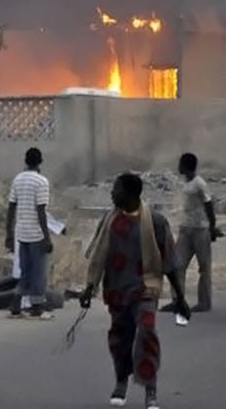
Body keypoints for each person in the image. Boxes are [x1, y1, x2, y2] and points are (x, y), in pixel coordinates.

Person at [80, 173, 190, 409]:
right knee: (120, 340)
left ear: (131, 194)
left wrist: (180, 298)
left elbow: (170, 263)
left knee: (147, 334)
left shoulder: (156, 222)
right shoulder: (109, 221)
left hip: (145, 288)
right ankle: (121, 382)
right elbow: (98, 258)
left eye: (116, 189)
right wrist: (89, 288)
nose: (112, 193)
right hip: (117, 290)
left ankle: (151, 390)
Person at [5, 147, 53, 319]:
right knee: (38, 271)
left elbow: (11, 208)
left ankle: (16, 302)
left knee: (25, 270)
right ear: (40, 162)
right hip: (36, 234)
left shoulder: (17, 180)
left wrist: (9, 234)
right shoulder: (42, 182)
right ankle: (37, 305)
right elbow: (41, 211)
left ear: (25, 161)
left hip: (21, 233)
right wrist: (47, 237)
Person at [174, 152, 217, 314]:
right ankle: (177, 300)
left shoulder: (200, 184)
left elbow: (209, 205)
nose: (178, 167)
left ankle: (204, 302)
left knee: (204, 267)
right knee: (178, 265)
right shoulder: (185, 183)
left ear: (185, 166)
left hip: (200, 229)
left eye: (180, 164)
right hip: (185, 229)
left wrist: (212, 227)